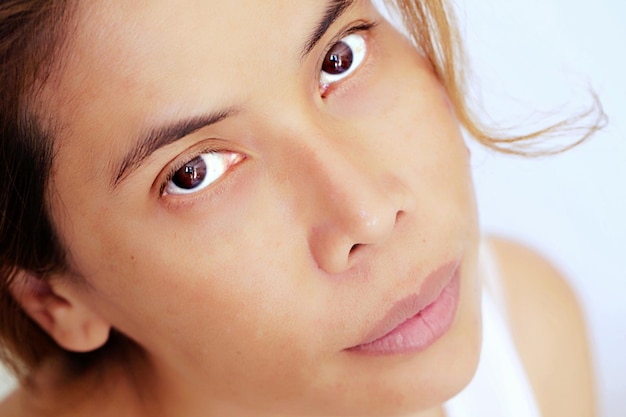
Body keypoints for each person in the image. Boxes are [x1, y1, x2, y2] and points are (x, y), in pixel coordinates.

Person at [0, 0, 602, 416]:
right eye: (194, 173)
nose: (369, 214)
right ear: (55, 300)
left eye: (340, 57)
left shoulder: (526, 328)